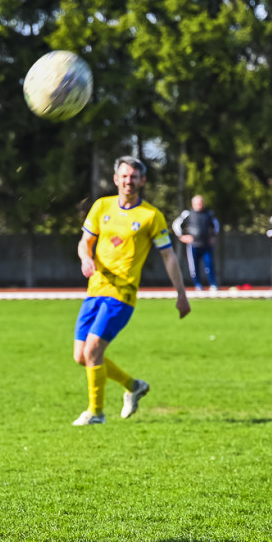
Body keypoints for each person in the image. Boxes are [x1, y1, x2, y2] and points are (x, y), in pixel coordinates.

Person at [72, 156, 191, 425]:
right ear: (116, 179)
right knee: (81, 356)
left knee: (92, 351)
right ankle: (133, 385)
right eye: (124, 176)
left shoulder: (151, 216)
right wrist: (85, 258)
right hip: (95, 290)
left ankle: (96, 413)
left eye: (134, 177)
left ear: (142, 181)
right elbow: (84, 242)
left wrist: (181, 294)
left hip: (122, 295)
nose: (129, 181)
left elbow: (169, 257)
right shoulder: (101, 207)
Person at [172, 194, 220, 291]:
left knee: (210, 264)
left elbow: (216, 225)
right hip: (193, 245)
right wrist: (181, 236)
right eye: (198, 203)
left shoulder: (208, 214)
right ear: (193, 204)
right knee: (194, 266)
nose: (200, 205)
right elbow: (176, 225)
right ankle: (198, 285)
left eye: (201, 203)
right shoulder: (188, 214)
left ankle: (213, 284)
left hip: (206, 244)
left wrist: (213, 236)